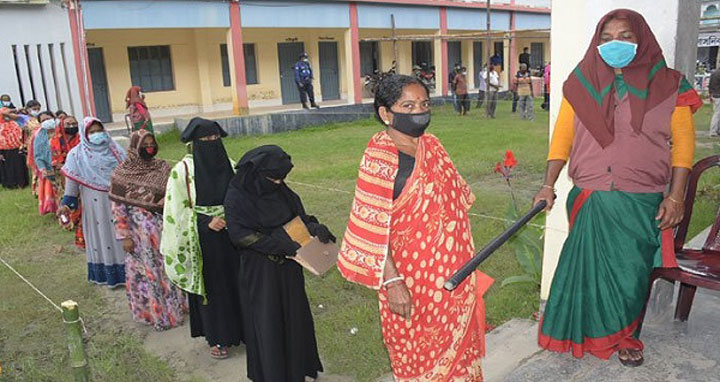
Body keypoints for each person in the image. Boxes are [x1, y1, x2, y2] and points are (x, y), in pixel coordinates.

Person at [534, 9, 702, 367]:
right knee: (586, 271)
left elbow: (684, 144)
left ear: (641, 40)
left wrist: (676, 195)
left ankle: (627, 336)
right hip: (591, 193)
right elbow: (562, 136)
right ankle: (582, 332)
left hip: (640, 196)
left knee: (632, 273)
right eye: (606, 38)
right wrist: (547, 184)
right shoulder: (581, 82)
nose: (615, 44)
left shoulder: (670, 84)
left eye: (625, 36)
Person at [338, 74, 494, 381]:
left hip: (455, 276)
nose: (419, 112)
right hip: (411, 283)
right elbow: (370, 230)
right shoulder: (380, 158)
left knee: (461, 355)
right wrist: (393, 283)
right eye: (407, 105)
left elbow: (457, 200)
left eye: (424, 104)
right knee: (420, 357)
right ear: (386, 113)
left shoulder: (432, 146)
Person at [224, 145, 330, 382]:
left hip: (290, 265)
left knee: (295, 316)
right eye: (274, 178)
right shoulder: (237, 194)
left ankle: (298, 369)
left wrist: (314, 228)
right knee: (268, 320)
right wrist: (279, 246)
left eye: (282, 178)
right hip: (260, 270)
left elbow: (296, 218)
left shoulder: (279, 189)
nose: (279, 183)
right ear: (258, 174)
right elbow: (241, 235)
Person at [161, 117, 243, 359]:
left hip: (233, 236)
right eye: (206, 139)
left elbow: (241, 195)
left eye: (216, 138)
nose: (212, 142)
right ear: (194, 143)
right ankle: (217, 337)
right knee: (214, 288)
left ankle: (243, 331)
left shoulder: (230, 163)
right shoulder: (183, 172)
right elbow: (175, 211)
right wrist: (205, 222)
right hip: (202, 242)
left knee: (238, 283)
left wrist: (233, 216)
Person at [109, 130, 188, 331]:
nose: (149, 148)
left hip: (165, 229)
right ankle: (156, 315)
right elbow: (118, 209)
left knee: (168, 269)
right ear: (135, 147)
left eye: (152, 143)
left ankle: (175, 310)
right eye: (145, 144)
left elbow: (174, 197)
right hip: (139, 236)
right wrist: (124, 236)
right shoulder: (122, 174)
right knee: (147, 274)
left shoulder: (163, 168)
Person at [59, 117, 127, 287]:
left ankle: (128, 272)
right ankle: (107, 275)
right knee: (102, 235)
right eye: (92, 132)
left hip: (118, 203)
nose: (97, 135)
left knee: (122, 236)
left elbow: (128, 177)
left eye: (99, 130)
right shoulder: (76, 155)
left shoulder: (116, 151)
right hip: (94, 205)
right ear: (84, 134)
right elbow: (72, 186)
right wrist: (66, 205)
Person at [51, 115, 84, 248]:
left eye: (74, 123)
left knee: (80, 198)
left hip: (80, 174)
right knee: (65, 198)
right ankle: (67, 221)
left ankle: (78, 220)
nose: (71, 126)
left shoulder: (81, 139)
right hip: (62, 174)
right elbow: (55, 158)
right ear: (62, 126)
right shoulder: (55, 140)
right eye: (68, 124)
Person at [33, 111, 61, 215]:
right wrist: (43, 169)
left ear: (53, 118)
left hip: (65, 167)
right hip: (51, 170)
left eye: (48, 119)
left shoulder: (62, 130)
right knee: (58, 191)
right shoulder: (40, 135)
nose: (46, 122)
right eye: (43, 121)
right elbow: (38, 155)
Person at [0, 107, 29, 189]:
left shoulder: (14, 123)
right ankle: (11, 184)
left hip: (18, 148)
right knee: (9, 168)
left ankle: (22, 183)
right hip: (5, 151)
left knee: (20, 166)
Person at [708, 67, 720, 137]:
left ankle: (717, 130)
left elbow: (710, 85)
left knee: (717, 113)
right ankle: (713, 131)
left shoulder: (714, 73)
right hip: (718, 95)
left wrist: (710, 94)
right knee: (717, 114)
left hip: (714, 95)